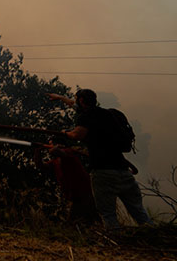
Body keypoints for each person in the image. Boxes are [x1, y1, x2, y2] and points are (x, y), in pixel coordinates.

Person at [47, 89, 150, 229]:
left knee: (107, 214)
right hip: (123, 171)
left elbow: (77, 135)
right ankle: (154, 237)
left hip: (103, 172)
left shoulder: (86, 117)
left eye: (77, 99)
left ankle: (116, 243)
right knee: (139, 212)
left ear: (82, 101)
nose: (75, 102)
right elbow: (75, 106)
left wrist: (66, 133)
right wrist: (60, 97)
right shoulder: (107, 114)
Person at [33, 143, 99, 225]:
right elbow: (40, 165)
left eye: (50, 143)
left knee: (81, 222)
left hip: (86, 195)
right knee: (79, 223)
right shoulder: (55, 161)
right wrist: (37, 151)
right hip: (75, 197)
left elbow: (54, 151)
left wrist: (54, 146)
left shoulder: (68, 152)